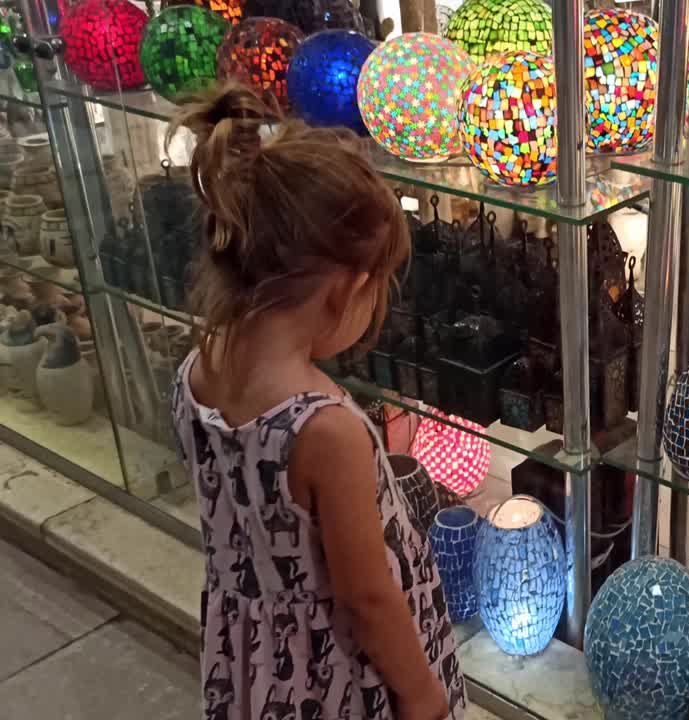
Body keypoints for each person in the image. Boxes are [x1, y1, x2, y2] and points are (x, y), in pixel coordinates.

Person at [168, 84, 464, 720]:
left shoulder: (195, 373)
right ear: (350, 288)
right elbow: (366, 596)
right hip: (341, 680)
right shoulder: (324, 432)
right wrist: (422, 697)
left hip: (253, 660)